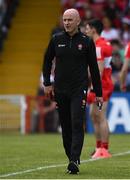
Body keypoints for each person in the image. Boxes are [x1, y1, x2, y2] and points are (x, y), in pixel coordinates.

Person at [42, 9, 103, 174]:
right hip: (60, 90)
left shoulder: (87, 41)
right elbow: (47, 61)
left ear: (78, 22)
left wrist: (98, 93)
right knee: (66, 126)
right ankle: (71, 158)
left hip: (79, 89)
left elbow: (94, 69)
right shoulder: (56, 39)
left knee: (77, 123)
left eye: (70, 20)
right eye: (65, 19)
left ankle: (75, 159)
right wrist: (47, 83)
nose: (67, 23)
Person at [86, 19, 114, 158]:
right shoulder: (102, 44)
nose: (85, 32)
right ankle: (99, 147)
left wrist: (92, 87)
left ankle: (104, 149)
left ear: (93, 30)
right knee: (94, 115)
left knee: (101, 116)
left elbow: (99, 71)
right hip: (102, 85)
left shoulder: (98, 47)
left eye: (87, 29)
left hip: (102, 87)